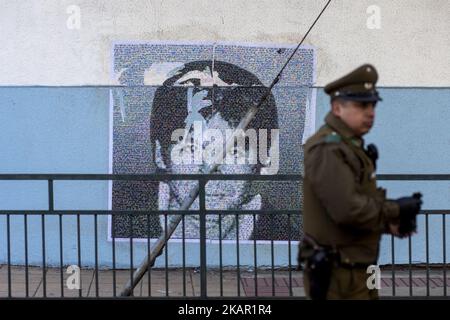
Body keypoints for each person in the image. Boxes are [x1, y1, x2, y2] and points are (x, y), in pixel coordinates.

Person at [298, 64, 422, 299]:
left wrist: (391, 225)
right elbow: (347, 209)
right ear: (337, 108)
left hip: (357, 269)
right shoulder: (329, 148)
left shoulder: (350, 146)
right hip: (338, 276)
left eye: (373, 104)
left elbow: (355, 204)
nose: (371, 112)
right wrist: (395, 209)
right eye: (361, 104)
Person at [149, 60, 300, 241]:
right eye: (192, 149)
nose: (209, 171)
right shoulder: (120, 227)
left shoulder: (289, 242)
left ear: (265, 159)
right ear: (160, 153)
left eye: (233, 153)